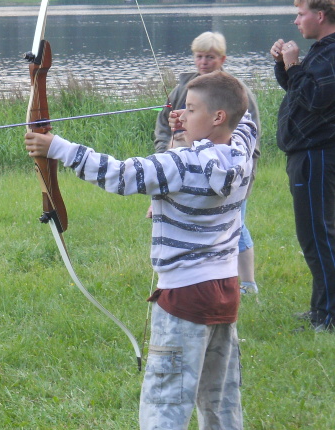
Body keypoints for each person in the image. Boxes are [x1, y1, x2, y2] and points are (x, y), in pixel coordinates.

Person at [25, 71, 257, 429]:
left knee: (166, 402)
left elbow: (120, 174)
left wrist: (57, 148)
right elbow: (246, 121)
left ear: (218, 117)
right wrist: (194, 126)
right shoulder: (242, 149)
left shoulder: (180, 164)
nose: (181, 115)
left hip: (184, 295)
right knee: (220, 397)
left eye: (190, 109)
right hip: (225, 290)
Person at [153, 31, 261, 296]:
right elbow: (164, 129)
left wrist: (245, 178)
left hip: (229, 176)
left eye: (210, 57)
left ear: (222, 59)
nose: (203, 62)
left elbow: (250, 139)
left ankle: (247, 283)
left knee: (235, 226)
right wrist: (168, 150)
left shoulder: (236, 92)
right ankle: (204, 277)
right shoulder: (183, 90)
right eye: (199, 56)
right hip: (187, 176)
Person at [270, 0, 335, 332]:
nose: (296, 21)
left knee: (316, 235)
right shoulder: (323, 51)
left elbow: (313, 98)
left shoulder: (331, 53)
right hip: (309, 155)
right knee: (317, 234)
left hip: (316, 155)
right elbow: (299, 92)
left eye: (300, 14)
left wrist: (294, 64)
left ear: (320, 15)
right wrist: (284, 66)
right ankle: (321, 308)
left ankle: (328, 316)